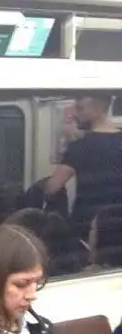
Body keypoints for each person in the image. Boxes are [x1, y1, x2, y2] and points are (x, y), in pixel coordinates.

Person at [46, 93, 122, 244]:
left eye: (80, 109)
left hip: (86, 226)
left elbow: (52, 187)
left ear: (97, 110)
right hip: (117, 225)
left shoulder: (80, 146)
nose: (75, 114)